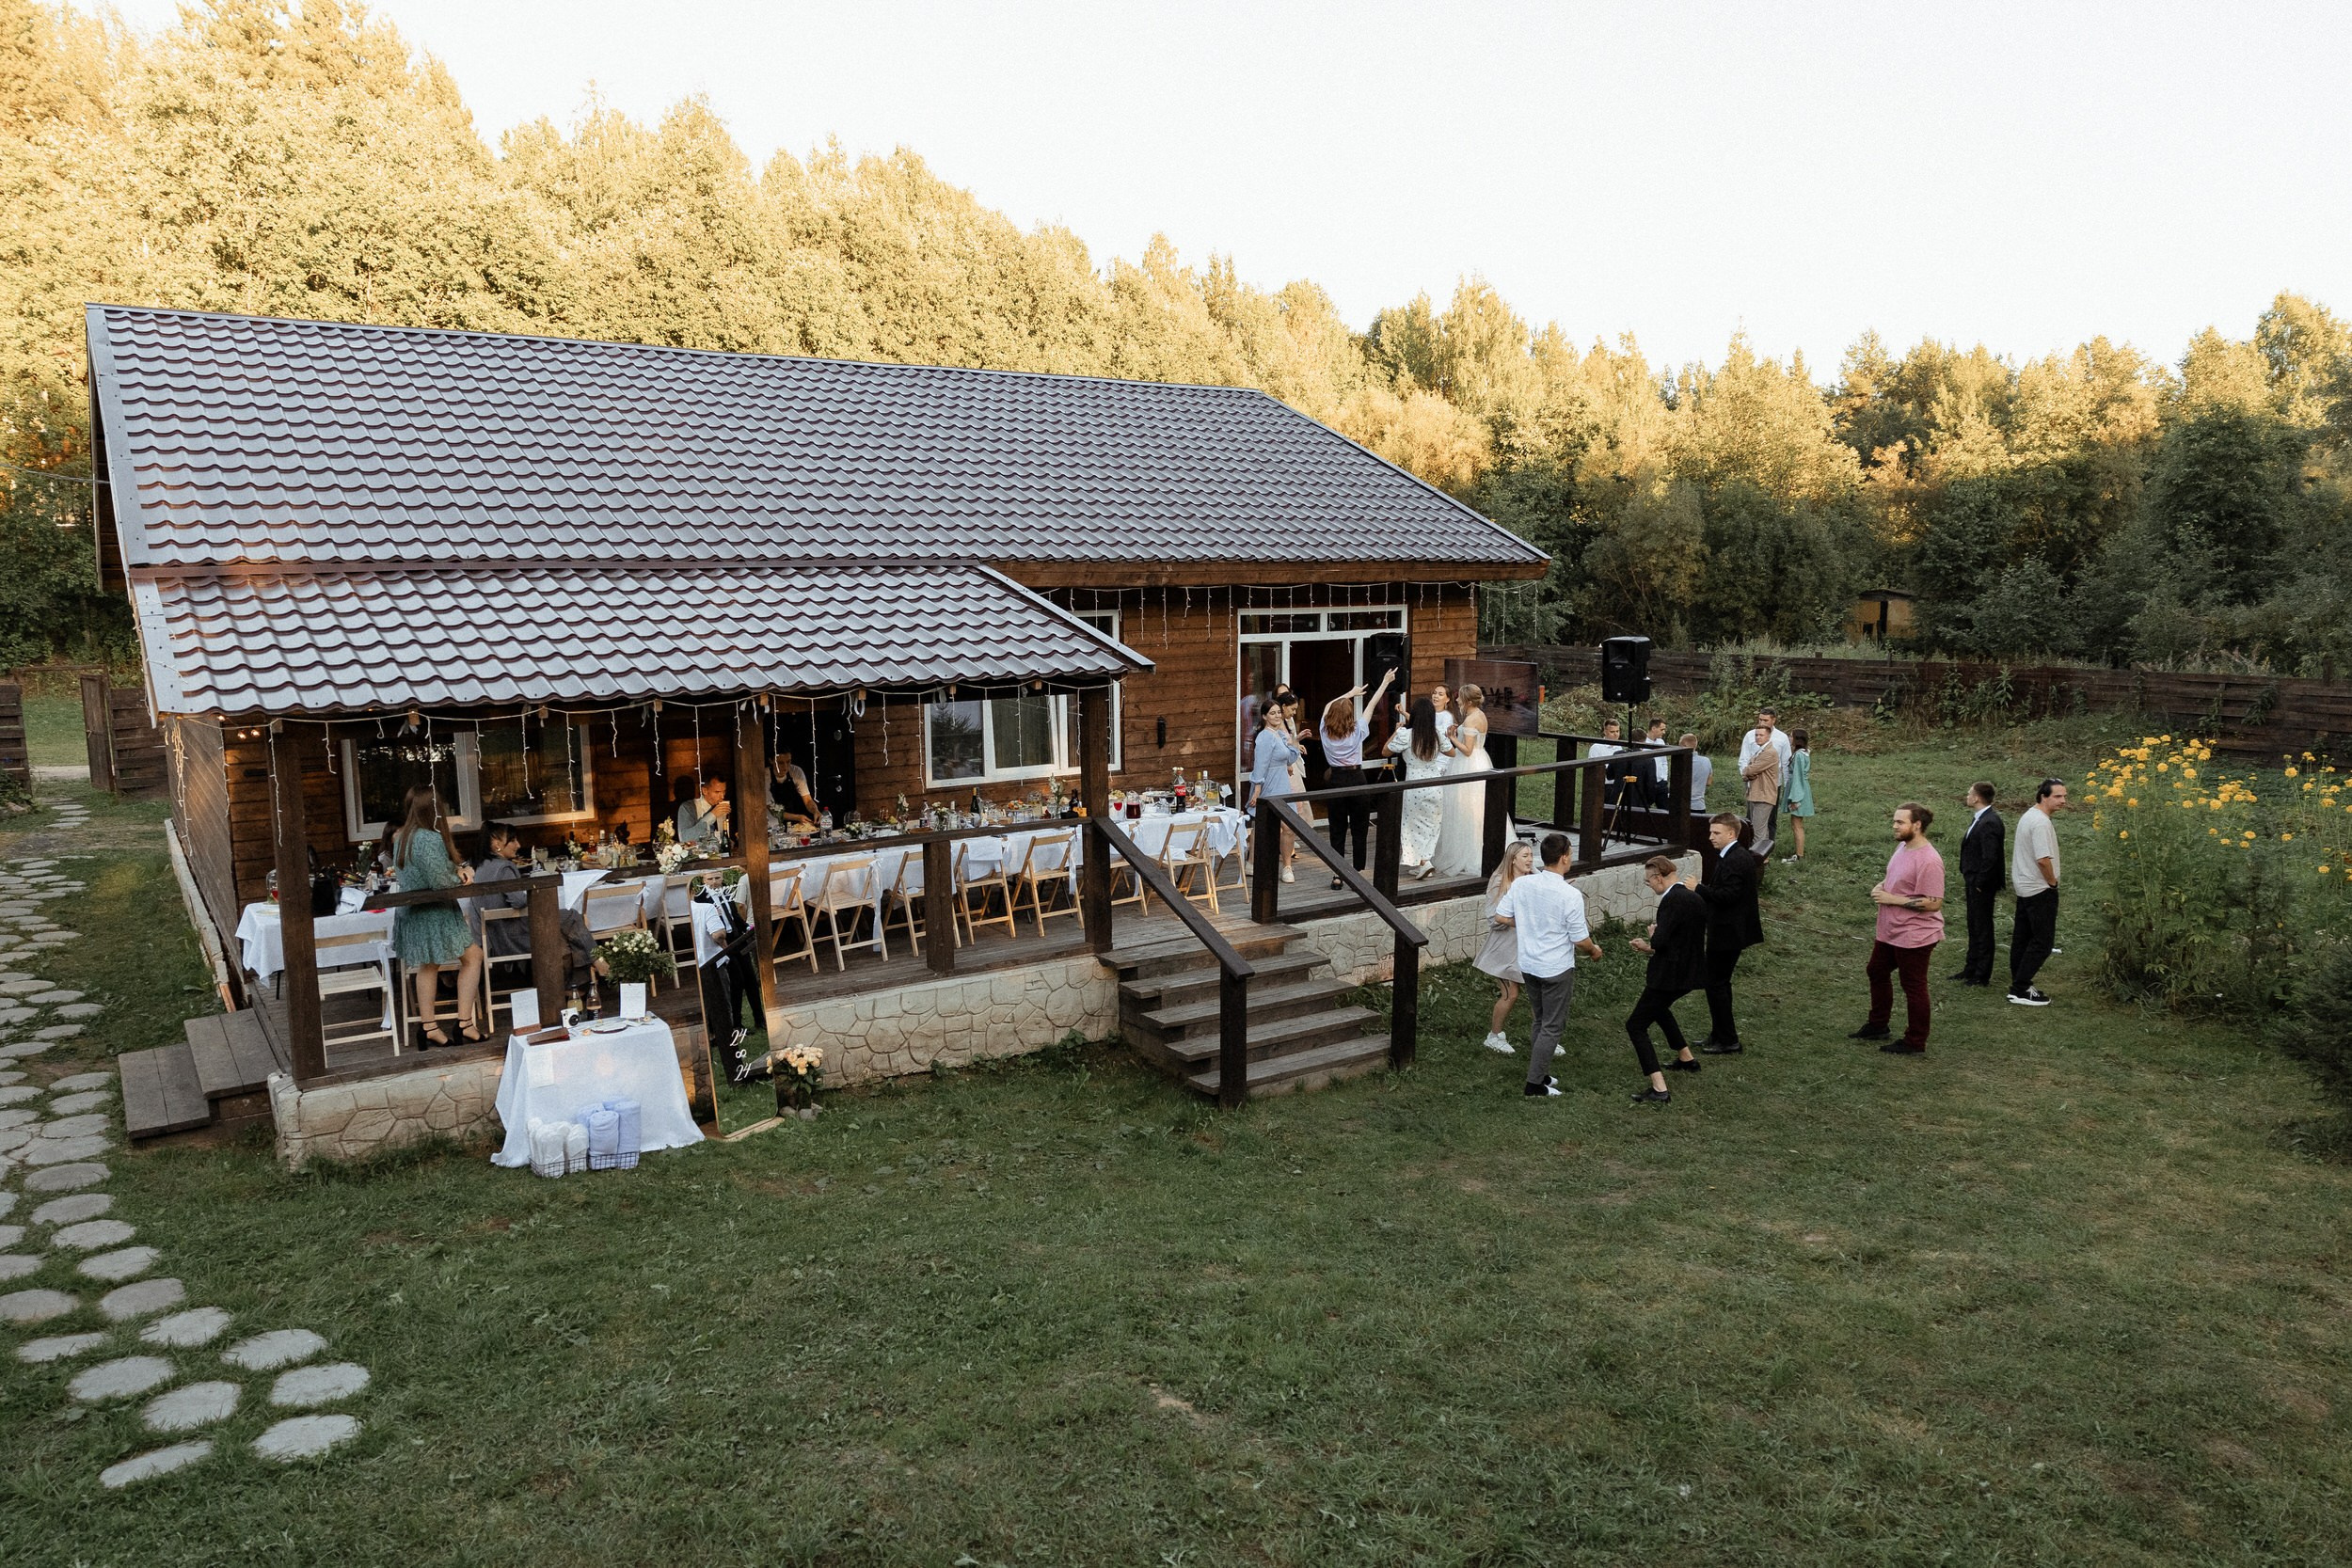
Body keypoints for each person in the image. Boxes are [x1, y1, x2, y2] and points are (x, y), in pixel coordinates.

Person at [1489, 832, 1602, 1098]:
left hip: (1528, 964)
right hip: (1555, 969)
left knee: (1540, 1020)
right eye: (1570, 853)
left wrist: (1529, 923)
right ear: (1564, 858)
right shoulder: (1569, 894)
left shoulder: (1522, 884)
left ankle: (1540, 1072)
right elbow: (1580, 940)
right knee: (1552, 1026)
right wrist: (1594, 951)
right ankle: (1534, 1085)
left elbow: (1501, 916)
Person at [389, 790, 485, 1047]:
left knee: (429, 965)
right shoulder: (429, 838)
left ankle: (430, 1027)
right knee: (472, 957)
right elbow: (440, 881)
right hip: (434, 911)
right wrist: (464, 874)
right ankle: (462, 1023)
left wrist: (455, 870)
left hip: (414, 911)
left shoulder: (402, 838)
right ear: (433, 809)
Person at [1852, 802, 1946, 1054]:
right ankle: (1878, 1025)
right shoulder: (1903, 847)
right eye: (1894, 821)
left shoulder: (1929, 861)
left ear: (1917, 825)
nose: (1894, 826)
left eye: (1900, 822)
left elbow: (1934, 902)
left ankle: (1915, 1041)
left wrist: (1892, 899)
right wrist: (1881, 886)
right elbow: (1897, 877)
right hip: (1891, 930)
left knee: (1913, 985)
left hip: (1915, 934)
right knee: (1876, 970)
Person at [469, 821, 600, 988]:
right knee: (571, 916)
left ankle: (572, 988)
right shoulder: (504, 868)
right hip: (515, 937)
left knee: (562, 938)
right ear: (497, 845)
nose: (518, 845)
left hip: (496, 938)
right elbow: (518, 901)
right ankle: (597, 961)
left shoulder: (481, 866)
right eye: (513, 840)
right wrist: (532, 892)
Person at [1625, 854, 1708, 1100]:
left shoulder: (1671, 901)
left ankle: (1659, 1088)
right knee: (1660, 1010)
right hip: (1690, 972)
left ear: (1658, 878)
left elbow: (1661, 941)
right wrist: (1652, 945)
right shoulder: (1694, 897)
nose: (1649, 885)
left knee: (1635, 1025)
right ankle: (1686, 1058)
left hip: (1669, 975)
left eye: (1648, 881)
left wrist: (1652, 938)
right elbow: (1680, 941)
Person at [1691, 812, 1763, 1054]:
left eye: (1716, 833)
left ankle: (1728, 1040)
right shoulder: (1732, 855)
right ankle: (1719, 1033)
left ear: (1731, 834)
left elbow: (1728, 896)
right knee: (1718, 983)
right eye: (1711, 832)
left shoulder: (1735, 859)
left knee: (1716, 984)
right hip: (1727, 929)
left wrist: (1698, 889)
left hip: (1728, 932)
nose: (1711, 837)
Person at [1319, 669, 1396, 888]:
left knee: (1337, 828)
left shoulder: (1324, 730)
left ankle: (1337, 874)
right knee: (1359, 827)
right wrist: (1384, 682)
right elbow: (1371, 704)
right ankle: (1358, 871)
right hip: (1356, 777)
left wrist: (1349, 694)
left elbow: (1328, 706)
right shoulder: (1357, 731)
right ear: (1349, 716)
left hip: (1336, 779)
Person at [2008, 778, 2067, 1006]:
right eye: (2057, 796)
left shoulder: (2029, 815)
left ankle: (2019, 982)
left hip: (2025, 886)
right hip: (2039, 888)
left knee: (2022, 938)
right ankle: (2020, 988)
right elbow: (2043, 860)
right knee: (2043, 942)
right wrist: (2052, 883)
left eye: (2064, 796)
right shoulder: (2040, 823)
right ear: (2043, 796)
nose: (2063, 801)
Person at [1475, 840, 1535, 1053]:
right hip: (1503, 949)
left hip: (1528, 948)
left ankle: (1545, 1037)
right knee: (1511, 994)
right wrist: (1522, 920)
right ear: (1513, 860)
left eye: (1531, 855)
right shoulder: (1500, 881)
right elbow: (1494, 918)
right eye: (1525, 856)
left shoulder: (1532, 879)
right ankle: (1494, 1036)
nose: (1530, 860)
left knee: (1539, 994)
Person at [1432, 684, 1492, 878]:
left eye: (1460, 698)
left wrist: (1452, 738)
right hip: (1480, 759)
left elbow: (1467, 750)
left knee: (1465, 807)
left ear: (1468, 701)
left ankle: (1466, 852)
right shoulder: (1479, 715)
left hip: (1469, 764)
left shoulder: (1472, 719)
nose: (1457, 700)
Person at [1387, 696, 1449, 879]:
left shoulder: (1406, 735)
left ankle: (1423, 862)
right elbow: (1451, 752)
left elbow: (1385, 750)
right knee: (1432, 824)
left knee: (1412, 825)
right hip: (1435, 783)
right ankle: (1424, 862)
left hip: (1414, 784)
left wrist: (1396, 731)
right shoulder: (1436, 734)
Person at [1951, 783, 2005, 987]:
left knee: (1982, 927)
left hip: (1981, 883)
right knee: (1974, 925)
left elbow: (1990, 856)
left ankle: (1982, 974)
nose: (1967, 796)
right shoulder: (1981, 819)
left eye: (1969, 794)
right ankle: (1971, 968)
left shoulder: (1989, 822)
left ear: (1976, 798)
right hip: (1973, 880)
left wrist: (1980, 882)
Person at [1247, 699, 1304, 882]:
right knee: (1262, 826)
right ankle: (1252, 862)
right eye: (1272, 713)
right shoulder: (1265, 737)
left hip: (1283, 784)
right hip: (1269, 785)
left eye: (1279, 712)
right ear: (1264, 716)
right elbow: (1260, 765)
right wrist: (1257, 790)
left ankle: (1287, 866)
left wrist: (1296, 740)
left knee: (1289, 827)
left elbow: (1290, 758)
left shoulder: (1279, 734)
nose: (1277, 716)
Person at [1740, 708, 1793, 847]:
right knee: (1752, 818)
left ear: (1773, 720)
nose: (1762, 722)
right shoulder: (1750, 735)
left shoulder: (1781, 738)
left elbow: (1785, 763)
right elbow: (1744, 758)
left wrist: (1787, 786)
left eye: (1765, 720)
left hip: (1772, 783)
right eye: (1760, 719)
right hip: (1752, 782)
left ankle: (1766, 848)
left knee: (1770, 819)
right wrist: (1745, 775)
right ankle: (1752, 847)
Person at [1740, 721, 1783, 857]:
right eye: (1756, 735)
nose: (1758, 737)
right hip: (1756, 794)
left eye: (1761, 735)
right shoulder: (1760, 751)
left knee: (1758, 831)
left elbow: (1751, 769)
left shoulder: (1769, 753)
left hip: (1763, 795)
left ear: (1768, 736)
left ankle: (1757, 858)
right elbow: (1749, 770)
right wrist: (1748, 772)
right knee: (1758, 829)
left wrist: (1747, 771)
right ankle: (1763, 858)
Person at [1781, 728, 1815, 862]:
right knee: (1796, 824)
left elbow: (1798, 777)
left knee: (1797, 825)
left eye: (1791, 736)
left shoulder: (1799, 755)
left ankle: (1799, 855)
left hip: (1799, 792)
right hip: (1800, 789)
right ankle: (1798, 853)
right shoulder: (1801, 754)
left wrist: (1795, 798)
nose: (1789, 738)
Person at [677, 775, 732, 850]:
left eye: (724, 791)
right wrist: (712, 815)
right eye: (717, 792)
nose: (722, 796)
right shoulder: (688, 807)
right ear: (704, 791)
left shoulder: (724, 806)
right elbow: (685, 838)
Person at [769, 747, 819, 829]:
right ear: (771, 761)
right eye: (780, 763)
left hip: (791, 822)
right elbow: (773, 810)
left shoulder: (796, 771)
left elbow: (807, 800)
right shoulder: (765, 776)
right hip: (771, 824)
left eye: (788, 762)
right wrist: (797, 817)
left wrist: (815, 811)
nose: (785, 767)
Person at [1683, 733, 1711, 814]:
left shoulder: (1681, 762)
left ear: (1684, 746)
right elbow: (1709, 782)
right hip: (1699, 806)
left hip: (1681, 805)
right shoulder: (1706, 761)